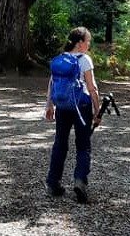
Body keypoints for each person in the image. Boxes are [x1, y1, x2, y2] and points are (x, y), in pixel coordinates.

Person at [45, 26, 100, 204]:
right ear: (79, 43)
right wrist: (97, 110)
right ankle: (79, 182)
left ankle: (53, 183)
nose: (88, 45)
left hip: (62, 106)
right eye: (87, 41)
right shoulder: (84, 60)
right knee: (83, 145)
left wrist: (49, 105)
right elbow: (92, 88)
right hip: (81, 106)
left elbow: (52, 83)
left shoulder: (60, 59)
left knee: (60, 144)